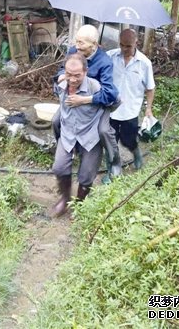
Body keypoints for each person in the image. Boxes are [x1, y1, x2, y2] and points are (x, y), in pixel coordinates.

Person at [52, 24, 121, 181]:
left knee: (103, 130)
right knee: (56, 121)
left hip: (97, 103)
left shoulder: (105, 62)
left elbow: (110, 94)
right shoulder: (73, 51)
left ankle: (114, 160)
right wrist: (62, 74)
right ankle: (66, 148)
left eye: (81, 43)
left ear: (94, 44)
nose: (77, 46)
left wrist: (84, 100)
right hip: (74, 100)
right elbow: (61, 69)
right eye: (76, 41)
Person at [52, 53, 105, 216]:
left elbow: (115, 100)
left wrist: (99, 119)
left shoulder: (95, 87)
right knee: (59, 167)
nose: (72, 79)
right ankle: (65, 199)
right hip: (68, 133)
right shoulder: (61, 84)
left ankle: (80, 204)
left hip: (90, 135)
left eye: (77, 75)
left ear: (86, 71)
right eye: (69, 74)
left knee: (86, 175)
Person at [107, 28, 155, 170]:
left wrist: (148, 108)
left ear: (136, 43)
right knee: (111, 140)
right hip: (111, 109)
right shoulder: (110, 57)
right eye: (121, 45)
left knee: (129, 139)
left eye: (128, 46)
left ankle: (136, 153)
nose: (124, 49)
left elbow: (150, 88)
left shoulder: (144, 63)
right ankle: (113, 168)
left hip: (131, 109)